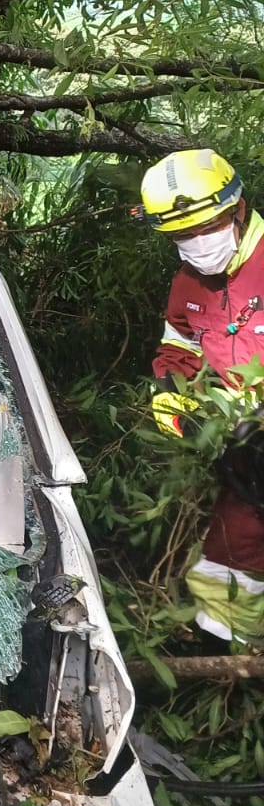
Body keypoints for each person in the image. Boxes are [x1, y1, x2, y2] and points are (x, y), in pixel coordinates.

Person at [141, 147, 264, 645]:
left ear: (236, 208)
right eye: (180, 235)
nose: (195, 244)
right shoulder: (188, 284)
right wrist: (174, 399)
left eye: (203, 227)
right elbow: (181, 344)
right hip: (242, 444)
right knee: (233, 548)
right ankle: (227, 649)